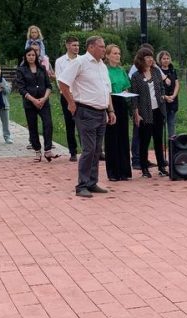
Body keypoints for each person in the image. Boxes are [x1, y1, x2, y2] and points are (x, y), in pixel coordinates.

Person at [57, 36, 116, 198]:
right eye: (101, 47)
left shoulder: (102, 65)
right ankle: (81, 185)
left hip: (101, 111)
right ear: (91, 47)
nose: (104, 49)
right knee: (89, 149)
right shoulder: (80, 62)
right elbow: (63, 82)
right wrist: (71, 102)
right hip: (86, 111)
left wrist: (110, 110)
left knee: (97, 150)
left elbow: (106, 90)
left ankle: (92, 182)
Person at [130, 48, 170, 178]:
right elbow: (134, 96)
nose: (150, 59)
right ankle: (144, 168)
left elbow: (162, 87)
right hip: (144, 112)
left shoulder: (156, 71)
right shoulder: (136, 76)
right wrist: (136, 113)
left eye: (151, 57)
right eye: (147, 57)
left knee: (158, 140)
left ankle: (161, 167)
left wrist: (163, 96)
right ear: (141, 59)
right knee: (145, 141)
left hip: (158, 110)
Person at [15, 47, 56, 162]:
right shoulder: (21, 70)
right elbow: (21, 89)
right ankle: (37, 150)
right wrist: (33, 100)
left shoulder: (42, 68)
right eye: (29, 55)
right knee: (33, 126)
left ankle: (48, 150)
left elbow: (49, 86)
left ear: (36, 56)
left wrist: (44, 99)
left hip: (44, 101)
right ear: (25, 57)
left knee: (48, 124)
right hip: (30, 102)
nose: (31, 57)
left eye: (33, 55)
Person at [103, 44, 133, 182]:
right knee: (112, 137)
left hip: (122, 101)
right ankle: (113, 172)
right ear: (107, 55)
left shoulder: (121, 70)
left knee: (123, 136)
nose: (117, 56)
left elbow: (126, 86)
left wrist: (126, 92)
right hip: (110, 102)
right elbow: (106, 89)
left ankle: (124, 170)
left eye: (119, 53)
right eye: (114, 53)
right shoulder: (105, 70)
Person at [54, 36, 81, 162]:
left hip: (80, 95)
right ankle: (73, 151)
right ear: (67, 46)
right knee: (70, 124)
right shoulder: (60, 61)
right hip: (67, 95)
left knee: (83, 124)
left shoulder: (82, 60)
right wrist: (69, 97)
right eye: (74, 45)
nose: (76, 48)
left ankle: (88, 150)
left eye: (78, 45)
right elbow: (60, 80)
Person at [157, 50, 181, 139]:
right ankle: (161, 143)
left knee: (171, 122)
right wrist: (166, 97)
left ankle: (172, 141)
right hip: (162, 100)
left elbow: (177, 84)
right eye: (164, 58)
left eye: (167, 58)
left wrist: (173, 96)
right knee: (160, 123)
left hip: (173, 100)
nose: (166, 60)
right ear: (160, 60)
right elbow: (157, 87)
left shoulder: (173, 70)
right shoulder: (157, 71)